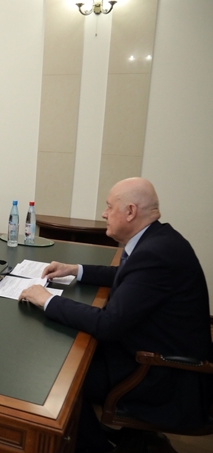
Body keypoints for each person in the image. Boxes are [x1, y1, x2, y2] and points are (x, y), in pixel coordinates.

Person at [19, 177, 212, 453]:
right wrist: (75, 270)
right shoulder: (158, 240)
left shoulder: (155, 254)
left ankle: (94, 447)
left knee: (58, 379)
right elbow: (126, 276)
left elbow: (107, 324)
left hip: (162, 375)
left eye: (109, 207)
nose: (104, 214)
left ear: (130, 212)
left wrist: (47, 300)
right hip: (153, 351)